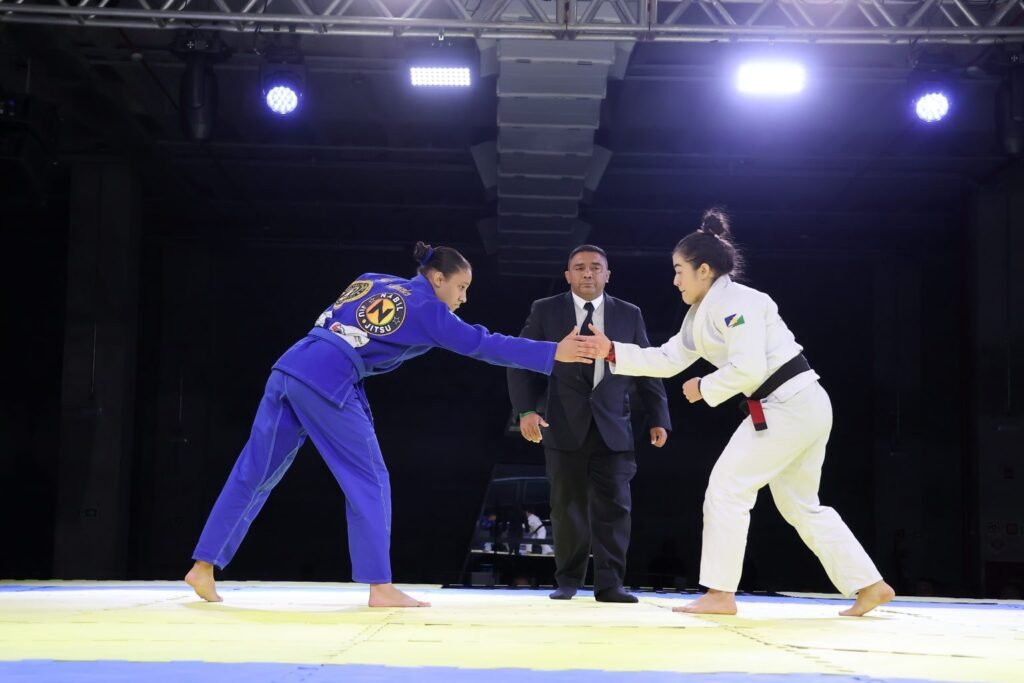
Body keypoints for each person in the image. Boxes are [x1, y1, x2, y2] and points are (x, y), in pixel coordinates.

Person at [185, 242, 600, 608]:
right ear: (437, 279)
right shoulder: (429, 311)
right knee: (369, 479)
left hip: (291, 366)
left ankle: (203, 566)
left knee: (254, 470)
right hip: (329, 381)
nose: (463, 298)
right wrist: (552, 353)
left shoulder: (370, 279)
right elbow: (484, 343)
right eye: (460, 287)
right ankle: (380, 586)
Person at [586, 210, 895, 616]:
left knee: (727, 488)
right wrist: (612, 350)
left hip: (790, 404)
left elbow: (748, 368)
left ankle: (720, 594)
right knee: (800, 505)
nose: (675, 280)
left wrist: (704, 388)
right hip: (794, 405)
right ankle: (870, 585)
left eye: (679, 271)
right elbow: (668, 357)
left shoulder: (738, 302)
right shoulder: (701, 314)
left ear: (704, 270)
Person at [508, 245, 672, 603]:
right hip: (562, 424)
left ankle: (610, 585)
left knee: (615, 508)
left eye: (596, 267)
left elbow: (647, 366)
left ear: (607, 274)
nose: (587, 273)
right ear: (568, 275)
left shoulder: (629, 313)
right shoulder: (545, 309)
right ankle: (567, 581)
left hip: (614, 426)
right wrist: (526, 411)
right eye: (580, 267)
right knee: (566, 507)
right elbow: (520, 361)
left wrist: (659, 417)